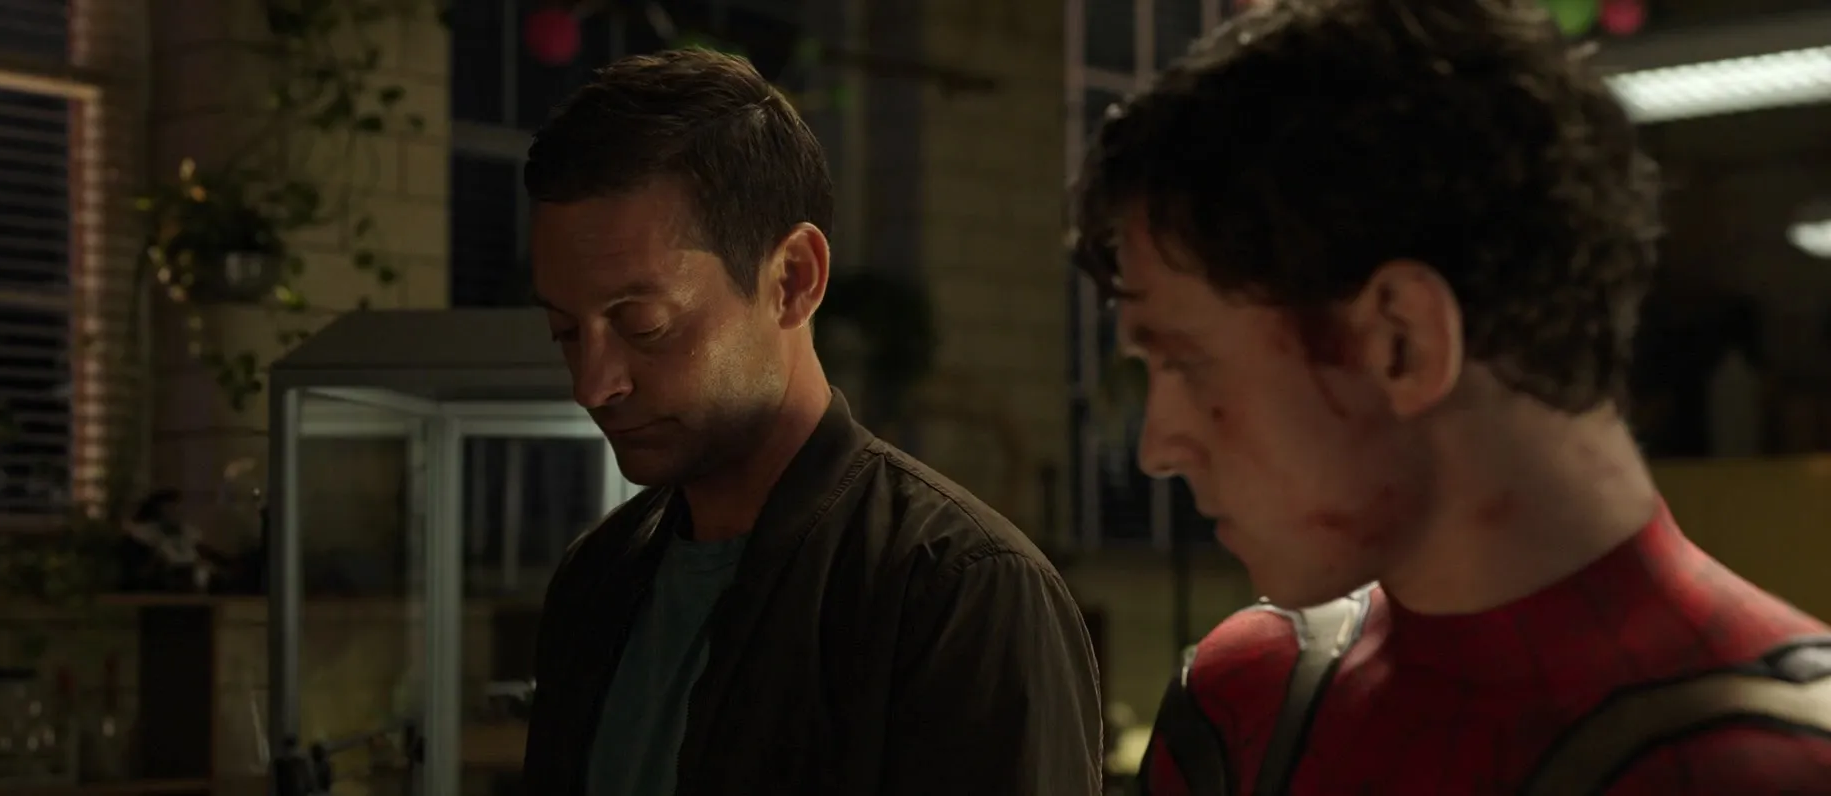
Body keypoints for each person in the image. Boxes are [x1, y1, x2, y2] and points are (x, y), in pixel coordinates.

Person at [1070, 1, 1831, 794]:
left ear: (1403, 340)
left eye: (1188, 364)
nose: (1159, 447)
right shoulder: (1240, 706)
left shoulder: (1785, 767)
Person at [519, 49, 1103, 796]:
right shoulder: (597, 578)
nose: (592, 384)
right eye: (566, 332)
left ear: (793, 279)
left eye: (644, 325)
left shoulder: (956, 592)